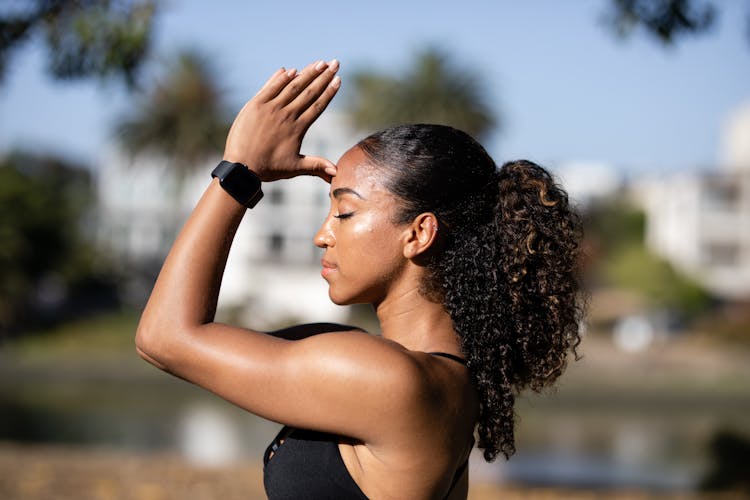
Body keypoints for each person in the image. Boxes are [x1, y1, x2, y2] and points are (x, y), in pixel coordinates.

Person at [135, 58, 583, 500]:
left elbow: (165, 338)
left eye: (345, 212)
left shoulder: (390, 381)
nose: (321, 235)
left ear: (419, 233)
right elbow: (196, 339)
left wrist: (240, 173)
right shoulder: (429, 374)